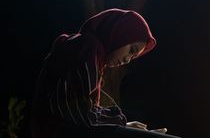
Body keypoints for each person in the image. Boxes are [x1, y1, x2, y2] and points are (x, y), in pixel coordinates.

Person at [30, 8, 181, 138]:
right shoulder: (88, 47)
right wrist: (121, 123)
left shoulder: (88, 50)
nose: (128, 60)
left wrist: (125, 126)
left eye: (133, 57)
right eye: (131, 50)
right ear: (120, 33)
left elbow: (82, 111)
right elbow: (79, 113)